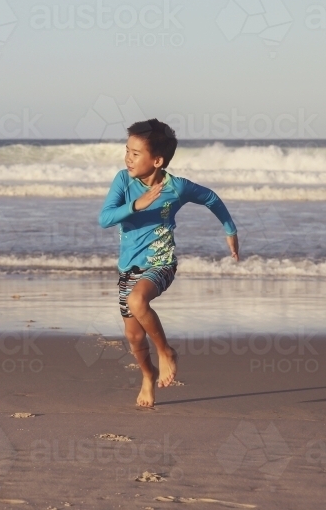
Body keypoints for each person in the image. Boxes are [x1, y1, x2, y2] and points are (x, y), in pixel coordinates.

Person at [99, 118, 240, 407]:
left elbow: (211, 198)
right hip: (129, 267)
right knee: (134, 337)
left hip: (161, 263)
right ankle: (148, 376)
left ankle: (166, 352)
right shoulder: (123, 181)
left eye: (136, 154)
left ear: (157, 160)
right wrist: (135, 206)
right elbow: (104, 218)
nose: (128, 157)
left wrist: (230, 231)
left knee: (139, 302)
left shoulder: (176, 188)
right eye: (127, 150)